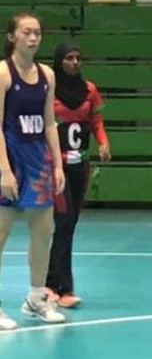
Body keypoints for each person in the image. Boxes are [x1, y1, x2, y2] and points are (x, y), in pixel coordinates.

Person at [0, 12, 66, 330]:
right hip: (8, 160)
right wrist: (4, 171)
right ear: (12, 36)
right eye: (27, 32)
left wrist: (57, 164)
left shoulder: (47, 76)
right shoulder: (3, 73)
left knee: (44, 229)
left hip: (37, 161)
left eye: (37, 32)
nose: (34, 38)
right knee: (0, 232)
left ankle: (36, 298)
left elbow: (50, 123)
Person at [45, 41, 111, 308]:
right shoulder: (49, 91)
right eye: (68, 58)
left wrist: (103, 141)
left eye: (77, 58)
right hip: (56, 167)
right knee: (64, 222)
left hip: (80, 166)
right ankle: (56, 285)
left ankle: (57, 285)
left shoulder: (89, 90)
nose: (74, 62)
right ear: (59, 62)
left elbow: (96, 121)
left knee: (69, 225)